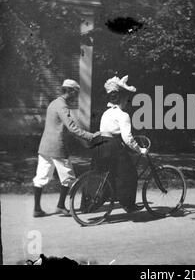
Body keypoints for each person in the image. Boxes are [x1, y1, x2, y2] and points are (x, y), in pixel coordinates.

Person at [33, 79, 100, 217]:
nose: (76, 96)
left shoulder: (53, 103)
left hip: (44, 146)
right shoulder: (63, 106)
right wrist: (91, 136)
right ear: (69, 91)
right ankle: (61, 206)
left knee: (41, 177)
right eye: (75, 93)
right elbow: (72, 128)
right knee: (68, 178)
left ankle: (37, 209)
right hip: (57, 147)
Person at [92, 75, 147, 213]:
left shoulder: (106, 113)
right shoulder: (123, 115)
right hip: (111, 146)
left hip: (99, 145)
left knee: (108, 174)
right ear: (122, 99)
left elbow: (107, 131)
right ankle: (128, 205)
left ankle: (93, 202)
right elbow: (127, 138)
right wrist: (140, 150)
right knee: (130, 174)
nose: (127, 103)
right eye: (127, 100)